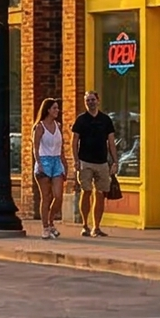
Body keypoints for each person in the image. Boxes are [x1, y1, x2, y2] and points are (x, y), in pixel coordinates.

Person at [70, 90, 118, 237]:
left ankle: (96, 226)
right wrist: (76, 160)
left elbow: (111, 142)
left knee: (101, 193)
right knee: (86, 191)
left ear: (98, 100)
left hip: (102, 162)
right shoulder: (81, 120)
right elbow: (74, 141)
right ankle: (85, 224)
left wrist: (115, 161)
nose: (90, 102)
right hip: (85, 161)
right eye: (88, 100)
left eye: (92, 100)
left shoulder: (105, 120)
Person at [31, 97, 68, 240]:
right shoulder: (39, 127)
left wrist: (65, 164)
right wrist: (39, 163)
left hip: (57, 160)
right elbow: (35, 147)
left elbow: (61, 147)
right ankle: (45, 227)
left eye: (57, 108)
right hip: (44, 160)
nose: (57, 111)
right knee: (46, 197)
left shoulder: (58, 126)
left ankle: (51, 221)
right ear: (47, 110)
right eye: (54, 108)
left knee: (58, 196)